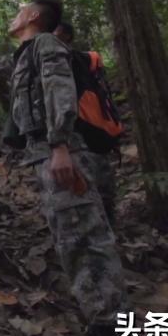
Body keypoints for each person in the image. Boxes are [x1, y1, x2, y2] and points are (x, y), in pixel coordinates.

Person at [0, 1, 129, 336]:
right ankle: (102, 326)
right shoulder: (25, 54)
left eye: (21, 9)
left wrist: (60, 145)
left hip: (61, 150)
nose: (14, 14)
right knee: (71, 237)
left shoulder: (47, 45)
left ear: (34, 17)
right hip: (46, 152)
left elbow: (60, 92)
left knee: (85, 238)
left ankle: (112, 334)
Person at [53, 20, 119, 225]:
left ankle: (109, 226)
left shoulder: (76, 62)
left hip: (91, 129)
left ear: (66, 37)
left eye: (56, 34)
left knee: (101, 184)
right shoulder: (67, 61)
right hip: (81, 132)